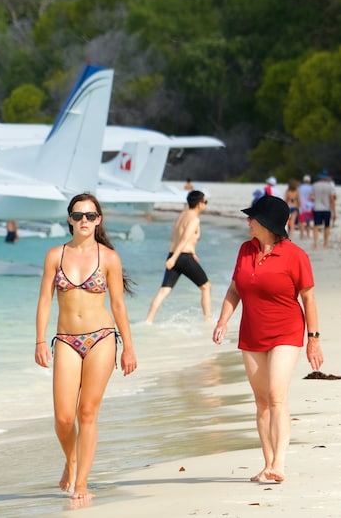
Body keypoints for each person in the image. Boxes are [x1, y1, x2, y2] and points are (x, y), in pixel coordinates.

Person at [212, 195, 323, 484]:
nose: (248, 220)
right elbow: (235, 290)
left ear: (268, 224)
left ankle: (280, 464)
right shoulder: (245, 250)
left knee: (276, 395)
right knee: (261, 401)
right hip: (251, 333)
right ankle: (267, 464)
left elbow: (308, 298)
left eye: (253, 217)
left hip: (286, 331)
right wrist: (223, 319)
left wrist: (313, 338)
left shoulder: (295, 255)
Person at [35, 193, 137, 500]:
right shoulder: (55, 255)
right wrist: (40, 340)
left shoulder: (109, 258)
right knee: (64, 418)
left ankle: (82, 483)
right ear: (69, 218)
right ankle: (72, 459)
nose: (84, 221)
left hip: (101, 338)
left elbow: (118, 305)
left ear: (99, 220)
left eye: (90, 216)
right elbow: (44, 301)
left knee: (87, 412)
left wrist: (129, 347)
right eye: (78, 215)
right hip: (66, 340)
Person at [144, 190, 211, 324]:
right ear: (199, 204)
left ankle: (148, 321)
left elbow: (174, 237)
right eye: (205, 202)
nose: (206, 205)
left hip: (175, 254)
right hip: (182, 257)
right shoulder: (194, 219)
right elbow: (185, 238)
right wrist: (175, 258)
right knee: (206, 287)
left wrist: (188, 253)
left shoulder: (182, 215)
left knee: (164, 290)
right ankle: (208, 321)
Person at [311, 171, 336, 249]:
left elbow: (311, 197)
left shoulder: (315, 185)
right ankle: (325, 243)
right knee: (327, 226)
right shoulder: (330, 186)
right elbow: (332, 199)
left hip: (317, 208)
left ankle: (315, 243)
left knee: (316, 226)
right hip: (326, 208)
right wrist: (334, 211)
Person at [297, 174, 313, 240]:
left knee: (301, 221)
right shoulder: (311, 187)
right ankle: (308, 235)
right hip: (309, 206)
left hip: (301, 206)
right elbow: (311, 197)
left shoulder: (300, 187)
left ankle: (301, 235)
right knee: (308, 221)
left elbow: (298, 197)